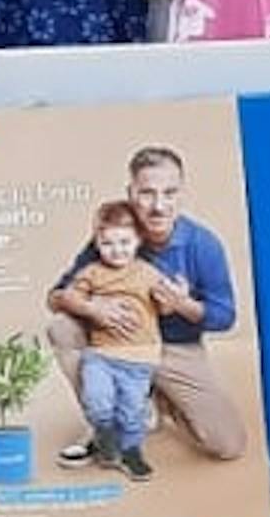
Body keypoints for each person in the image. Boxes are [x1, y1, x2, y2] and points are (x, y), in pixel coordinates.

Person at [45, 144, 248, 465]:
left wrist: (183, 305)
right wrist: (94, 309)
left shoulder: (202, 244)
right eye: (147, 193)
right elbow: (56, 296)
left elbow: (225, 316)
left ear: (182, 193)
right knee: (62, 328)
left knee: (228, 445)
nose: (158, 206)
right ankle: (107, 422)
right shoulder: (116, 236)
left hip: (174, 349)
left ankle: (156, 401)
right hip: (116, 343)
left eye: (169, 193)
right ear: (131, 192)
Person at [64, 200, 185, 479]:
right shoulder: (92, 272)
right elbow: (70, 296)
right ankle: (104, 434)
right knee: (96, 400)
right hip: (101, 356)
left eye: (124, 242)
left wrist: (176, 297)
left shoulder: (147, 272)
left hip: (139, 360)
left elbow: (165, 308)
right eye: (108, 243)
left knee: (132, 412)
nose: (117, 250)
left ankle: (131, 452)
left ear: (138, 241)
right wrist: (91, 306)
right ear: (96, 242)